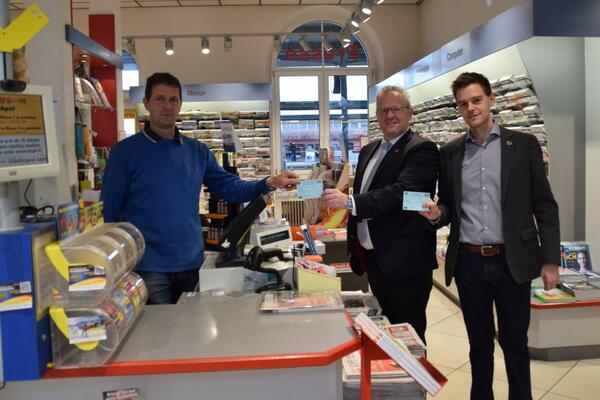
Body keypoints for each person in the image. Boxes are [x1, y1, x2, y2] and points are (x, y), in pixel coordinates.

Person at [419, 72, 560, 400]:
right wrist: (438, 214)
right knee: (479, 346)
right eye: (463, 103)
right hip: (469, 263)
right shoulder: (451, 153)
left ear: (491, 99)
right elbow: (450, 206)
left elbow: (545, 206)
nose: (470, 108)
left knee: (515, 345)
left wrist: (550, 260)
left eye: (476, 100)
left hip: (513, 262)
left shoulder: (523, 145)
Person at [101, 72, 299, 305]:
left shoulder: (197, 151)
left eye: (173, 100)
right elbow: (110, 212)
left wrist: (269, 182)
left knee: (191, 333)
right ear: (146, 103)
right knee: (157, 336)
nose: (167, 106)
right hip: (148, 267)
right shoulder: (124, 153)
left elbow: (230, 188)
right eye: (160, 99)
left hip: (192, 262)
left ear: (181, 104)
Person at [322, 85, 439, 342]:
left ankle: (415, 382)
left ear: (409, 112)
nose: (389, 116)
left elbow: (402, 193)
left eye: (396, 109)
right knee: (385, 331)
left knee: (409, 335)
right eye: (384, 110)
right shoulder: (368, 150)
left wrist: (351, 202)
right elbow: (368, 192)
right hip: (375, 259)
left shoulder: (421, 149)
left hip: (405, 262)